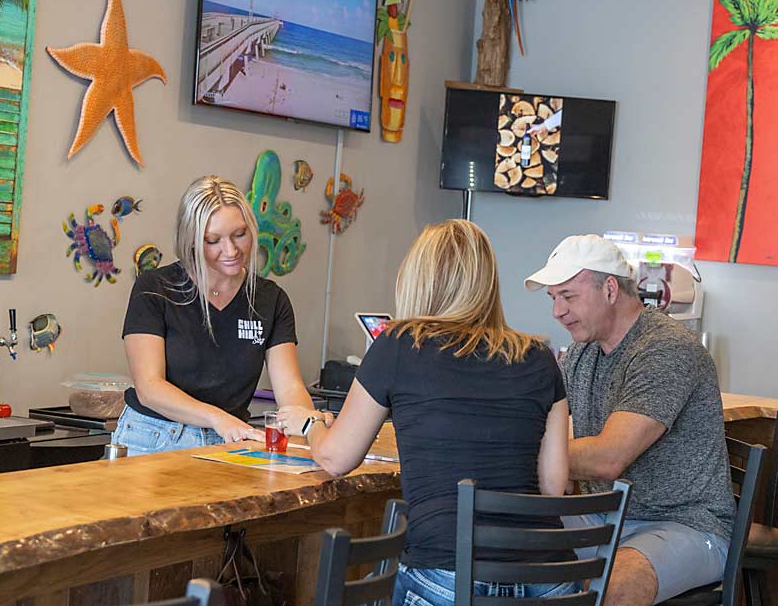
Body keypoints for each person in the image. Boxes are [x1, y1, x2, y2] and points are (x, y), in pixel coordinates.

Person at [279, 219, 574, 605]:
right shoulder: (539, 357)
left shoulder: (398, 346)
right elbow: (553, 486)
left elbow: (336, 458)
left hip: (446, 579)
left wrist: (311, 424)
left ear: (418, 279)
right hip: (547, 581)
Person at [524, 234, 736, 605]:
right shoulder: (580, 352)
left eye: (568, 296)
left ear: (609, 289)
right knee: (499, 542)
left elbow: (610, 458)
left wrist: (519, 454)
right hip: (603, 518)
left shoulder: (665, 348)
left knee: (613, 587)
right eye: (552, 298)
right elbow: (537, 423)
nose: (557, 311)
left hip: (685, 525)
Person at [114, 175, 324, 456]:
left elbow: (291, 387)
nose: (231, 250)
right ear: (190, 241)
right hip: (155, 436)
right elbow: (149, 388)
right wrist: (218, 419)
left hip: (231, 439)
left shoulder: (270, 299)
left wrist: (309, 422)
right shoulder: (154, 289)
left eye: (240, 234)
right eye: (213, 240)